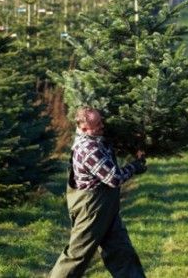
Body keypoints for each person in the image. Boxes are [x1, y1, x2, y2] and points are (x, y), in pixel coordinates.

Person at [50, 106, 147, 278]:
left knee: (122, 252)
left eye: (101, 121)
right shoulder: (89, 149)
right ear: (84, 128)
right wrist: (135, 166)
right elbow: (114, 178)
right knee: (77, 256)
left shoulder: (97, 139)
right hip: (92, 210)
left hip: (105, 208)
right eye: (98, 124)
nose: (103, 125)